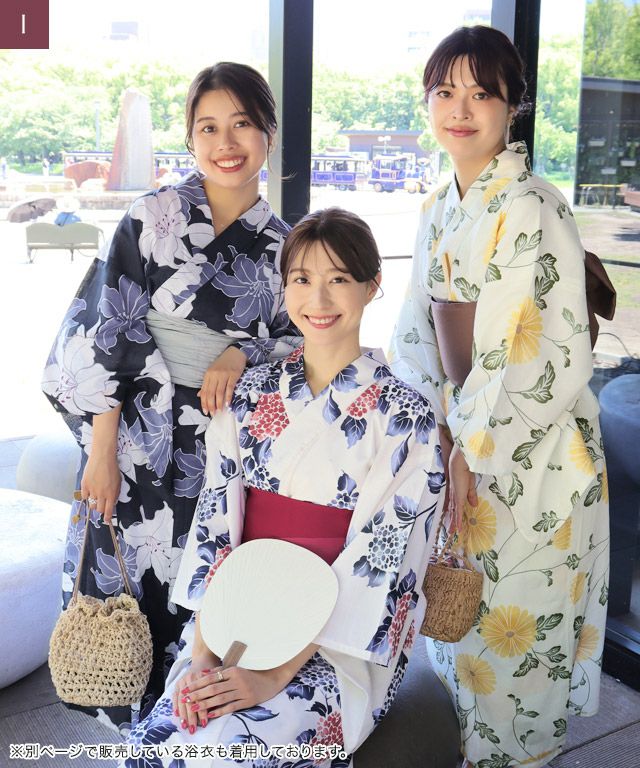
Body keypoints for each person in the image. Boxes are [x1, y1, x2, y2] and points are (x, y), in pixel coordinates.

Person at [120, 207, 444, 767]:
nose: (318, 299)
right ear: (284, 287)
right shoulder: (250, 395)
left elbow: (383, 558)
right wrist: (204, 655)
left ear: (373, 286)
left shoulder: (406, 417)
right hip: (236, 617)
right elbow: (217, 528)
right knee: (161, 744)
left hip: (333, 644)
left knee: (232, 751)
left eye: (338, 279)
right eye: (302, 279)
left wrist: (272, 675)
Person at [42, 62, 301, 732]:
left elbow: (301, 338)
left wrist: (243, 353)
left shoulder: (285, 246)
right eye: (208, 128)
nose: (226, 142)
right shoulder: (150, 217)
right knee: (126, 585)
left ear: (269, 133)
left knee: (204, 585)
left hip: (219, 444)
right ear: (189, 140)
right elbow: (106, 330)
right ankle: (128, 729)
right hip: (132, 432)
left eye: (242, 124)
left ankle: (185, 729)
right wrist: (101, 452)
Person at [390, 26, 609, 768]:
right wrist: (435, 430)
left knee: (519, 628)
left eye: (482, 93)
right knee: (463, 627)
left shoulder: (530, 204)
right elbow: (415, 331)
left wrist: (471, 449)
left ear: (513, 106)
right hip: (463, 433)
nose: (460, 109)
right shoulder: (436, 206)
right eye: (444, 91)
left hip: (530, 449)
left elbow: (529, 344)